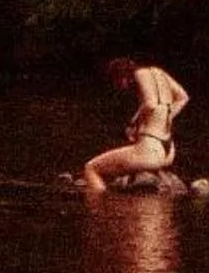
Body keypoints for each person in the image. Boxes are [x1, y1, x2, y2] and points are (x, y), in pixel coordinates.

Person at [80, 56, 189, 192]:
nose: (118, 86)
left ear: (122, 75)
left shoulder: (139, 74)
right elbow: (183, 97)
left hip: (150, 150)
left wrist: (133, 124)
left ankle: (99, 207)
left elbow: (150, 104)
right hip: (168, 151)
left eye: (116, 81)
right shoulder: (158, 72)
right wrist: (168, 115)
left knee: (91, 168)